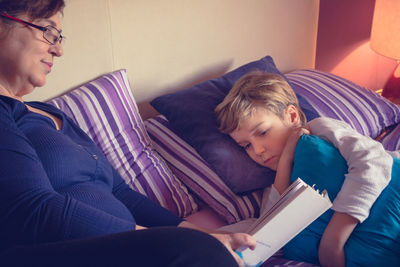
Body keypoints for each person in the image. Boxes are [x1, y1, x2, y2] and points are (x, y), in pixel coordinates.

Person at [0, 1, 257, 266]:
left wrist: (208, 236)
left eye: (59, 37)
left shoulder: (51, 113)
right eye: (47, 31)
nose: (59, 49)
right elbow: (34, 209)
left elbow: (121, 192)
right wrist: (166, 243)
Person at [215, 71, 398, 267]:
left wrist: (334, 237)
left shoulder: (319, 130)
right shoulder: (275, 184)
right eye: (246, 146)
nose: (258, 150)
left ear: (292, 116)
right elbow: (272, 226)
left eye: (262, 132)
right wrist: (286, 160)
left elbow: (374, 162)